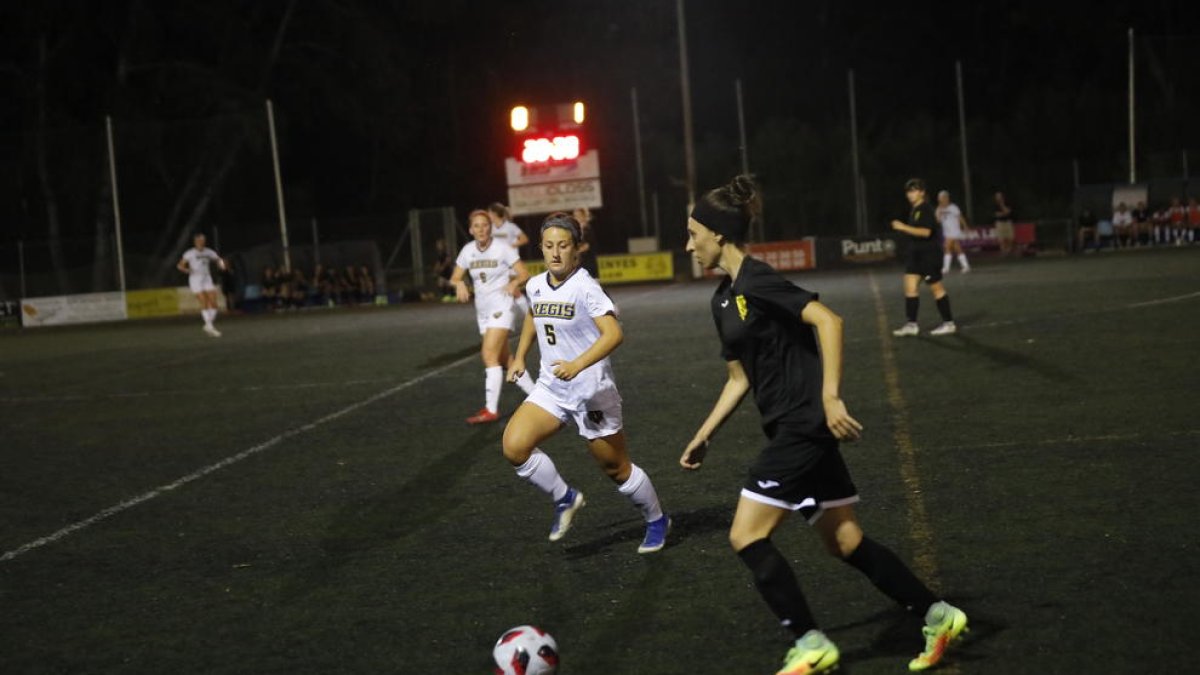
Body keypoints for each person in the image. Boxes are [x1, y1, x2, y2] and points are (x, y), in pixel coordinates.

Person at [680, 174, 968, 674]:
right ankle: (937, 615)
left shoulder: (759, 278)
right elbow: (738, 379)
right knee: (845, 541)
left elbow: (829, 321)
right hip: (791, 429)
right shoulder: (722, 300)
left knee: (745, 536)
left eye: (693, 234)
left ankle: (809, 643)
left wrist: (829, 396)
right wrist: (704, 434)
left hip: (803, 427)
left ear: (718, 234)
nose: (688, 244)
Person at [503, 212, 669, 553]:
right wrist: (519, 355)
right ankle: (565, 498)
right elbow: (535, 315)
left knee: (616, 468)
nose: (555, 253)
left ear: (577, 249)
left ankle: (657, 520)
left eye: (563, 245)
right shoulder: (535, 284)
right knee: (514, 447)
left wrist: (578, 364)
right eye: (549, 246)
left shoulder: (586, 287)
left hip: (592, 392)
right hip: (552, 388)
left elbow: (614, 333)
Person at [452, 209, 537, 424]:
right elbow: (454, 278)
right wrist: (459, 283)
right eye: (477, 226)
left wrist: (514, 282)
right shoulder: (467, 250)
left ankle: (491, 410)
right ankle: (538, 395)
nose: (481, 229)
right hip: (483, 312)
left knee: (488, 355)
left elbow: (524, 273)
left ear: (490, 227)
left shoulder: (503, 249)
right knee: (505, 359)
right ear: (471, 230)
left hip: (502, 307)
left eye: (485, 225)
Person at [891, 179, 957, 337]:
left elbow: (926, 232)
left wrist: (903, 227)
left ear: (922, 192)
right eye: (908, 191)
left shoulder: (926, 208)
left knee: (936, 288)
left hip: (929, 255)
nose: (910, 194)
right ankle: (911, 324)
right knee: (910, 286)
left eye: (914, 190)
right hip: (916, 255)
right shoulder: (915, 209)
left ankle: (949, 323)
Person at [176, 233, 227, 337]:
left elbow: (218, 259)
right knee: (204, 301)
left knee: (214, 303)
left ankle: (208, 325)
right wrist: (187, 270)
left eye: (203, 240)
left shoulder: (209, 252)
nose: (201, 242)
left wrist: (222, 265)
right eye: (199, 240)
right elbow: (180, 266)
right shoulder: (189, 253)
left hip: (207, 278)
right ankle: (210, 326)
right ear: (195, 242)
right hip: (195, 279)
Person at [488, 202, 532, 316]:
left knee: (512, 290)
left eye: (489, 213)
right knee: (506, 290)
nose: (488, 215)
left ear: (494, 214)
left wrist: (510, 247)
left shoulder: (510, 227)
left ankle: (529, 316)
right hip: (497, 265)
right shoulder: (490, 229)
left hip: (510, 264)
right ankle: (527, 316)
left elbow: (524, 239)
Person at [935, 190, 971, 273]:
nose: (943, 199)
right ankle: (966, 266)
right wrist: (939, 213)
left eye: (944, 197)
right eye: (941, 198)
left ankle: (946, 268)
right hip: (947, 232)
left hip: (954, 231)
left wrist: (965, 226)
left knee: (947, 247)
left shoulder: (953, 207)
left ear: (947, 198)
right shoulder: (938, 209)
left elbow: (960, 217)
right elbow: (937, 221)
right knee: (957, 248)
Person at [572, 206, 600, 280]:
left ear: (583, 216)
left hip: (588, 264)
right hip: (579, 265)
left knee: (593, 288)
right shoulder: (576, 230)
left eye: (578, 215)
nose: (576, 217)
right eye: (575, 216)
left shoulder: (588, 229)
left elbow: (586, 246)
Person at [993, 191, 1015, 256]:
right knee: (1001, 239)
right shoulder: (994, 205)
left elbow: (1008, 212)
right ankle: (1004, 252)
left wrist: (1002, 205)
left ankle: (1009, 251)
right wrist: (1004, 213)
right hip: (1000, 223)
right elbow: (997, 215)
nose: (998, 198)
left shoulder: (1007, 202)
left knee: (1010, 238)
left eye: (999, 196)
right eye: (997, 196)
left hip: (1008, 222)